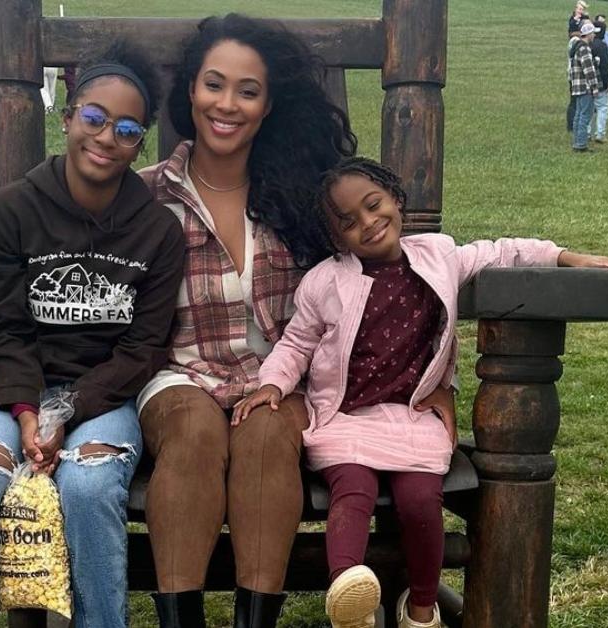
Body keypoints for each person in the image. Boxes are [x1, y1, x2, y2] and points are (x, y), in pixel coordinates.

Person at [234, 157, 608, 628]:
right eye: (349, 222)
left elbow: (502, 252)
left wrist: (566, 257)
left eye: (374, 205)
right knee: (352, 492)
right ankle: (350, 600)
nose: (368, 223)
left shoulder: (439, 256)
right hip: (347, 417)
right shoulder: (326, 281)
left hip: (412, 415)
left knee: (421, 499)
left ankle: (421, 607)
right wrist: (273, 384)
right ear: (337, 239)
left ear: (396, 199)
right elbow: (296, 342)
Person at [0, 42, 186, 628]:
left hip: (104, 395)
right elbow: (4, 328)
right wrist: (25, 412)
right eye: (92, 117)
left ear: (139, 141)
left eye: (124, 128)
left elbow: (142, 349)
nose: (104, 137)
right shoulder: (11, 211)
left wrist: (66, 410)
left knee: (91, 490)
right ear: (67, 116)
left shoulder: (159, 234)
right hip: (14, 388)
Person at [136, 13, 356, 627]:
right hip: (179, 376)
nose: (226, 104)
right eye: (213, 84)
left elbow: (386, 269)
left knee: (262, 438)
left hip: (279, 380)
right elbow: (68, 255)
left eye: (247, 90)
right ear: (190, 90)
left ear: (267, 105)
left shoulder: (304, 197)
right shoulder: (145, 195)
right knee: (194, 432)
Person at [568, 20, 600, 151]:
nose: (594, 36)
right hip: (585, 87)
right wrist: (595, 87)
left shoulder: (576, 47)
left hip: (577, 87)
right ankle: (581, 144)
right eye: (593, 33)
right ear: (588, 34)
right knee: (585, 116)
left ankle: (576, 142)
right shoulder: (585, 48)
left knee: (578, 115)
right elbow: (588, 70)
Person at [589, 20, 608, 144]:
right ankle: (600, 133)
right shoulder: (602, 46)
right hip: (600, 83)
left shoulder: (588, 44)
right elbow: (605, 66)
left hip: (588, 82)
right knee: (603, 108)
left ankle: (588, 132)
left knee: (590, 108)